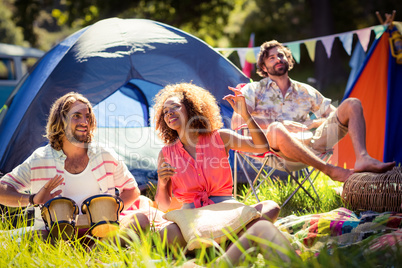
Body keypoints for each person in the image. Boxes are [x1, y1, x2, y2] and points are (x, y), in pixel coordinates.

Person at [153, 83, 294, 266]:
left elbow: (262, 147)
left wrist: (245, 115)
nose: (169, 113)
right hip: (191, 217)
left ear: (191, 108)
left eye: (175, 107)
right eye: (165, 111)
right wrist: (162, 183)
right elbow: (163, 205)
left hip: (227, 211)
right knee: (163, 235)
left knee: (270, 207)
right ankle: (233, 246)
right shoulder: (166, 153)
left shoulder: (220, 137)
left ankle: (215, 252)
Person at [231, 40, 395, 182]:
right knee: (277, 129)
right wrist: (279, 124)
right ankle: (329, 170)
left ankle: (362, 157)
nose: (278, 59)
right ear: (263, 67)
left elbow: (335, 116)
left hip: (310, 145)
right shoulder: (253, 90)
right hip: (272, 152)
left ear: (288, 59)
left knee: (352, 104)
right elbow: (236, 123)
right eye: (271, 58)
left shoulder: (305, 91)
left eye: (281, 55)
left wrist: (311, 123)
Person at [0, 92, 149, 242]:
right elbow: (2, 189)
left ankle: (97, 251)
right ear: (61, 121)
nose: (85, 121)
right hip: (56, 235)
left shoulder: (104, 155)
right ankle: (92, 253)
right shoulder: (40, 159)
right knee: (37, 236)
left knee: (140, 219)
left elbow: (132, 190)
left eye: (88, 116)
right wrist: (33, 199)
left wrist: (113, 210)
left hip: (100, 233)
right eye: (76, 115)